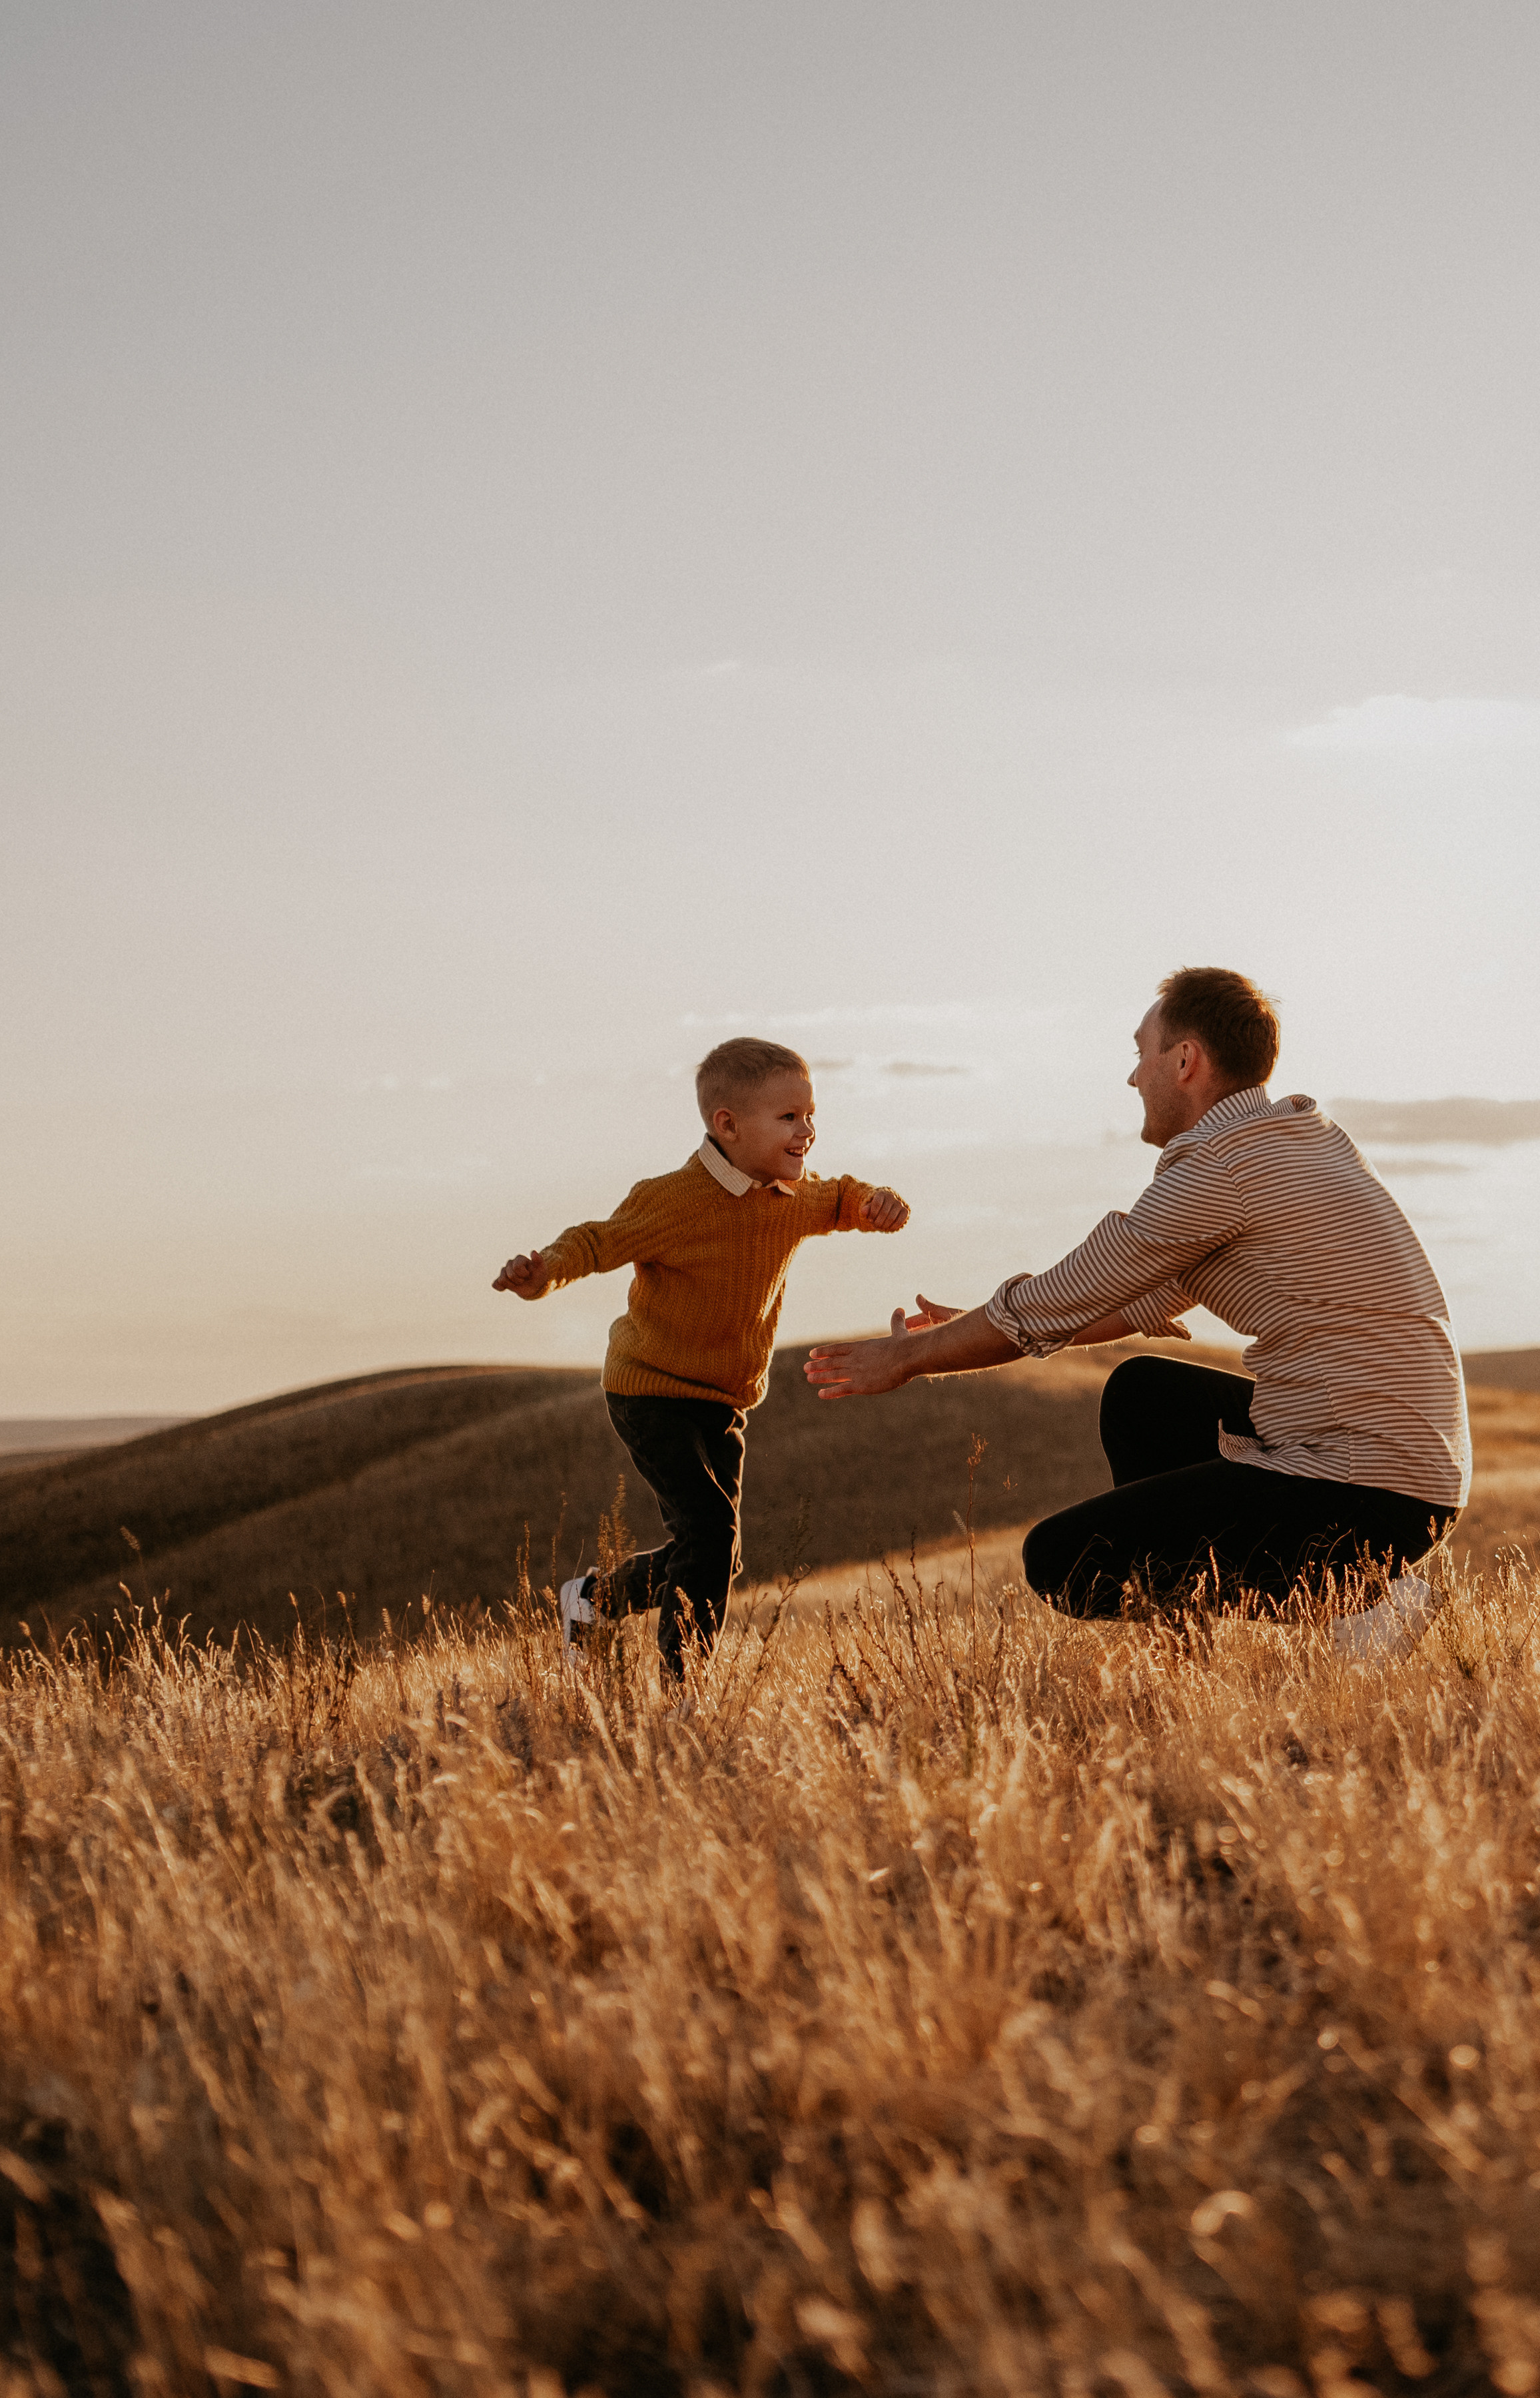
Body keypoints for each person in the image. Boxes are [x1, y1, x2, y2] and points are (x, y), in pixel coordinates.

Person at [804, 969, 1470, 1658]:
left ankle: (1362, 1601)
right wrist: (972, 1324)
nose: (1131, 1079)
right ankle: (1195, 1655)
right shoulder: (1294, 1138)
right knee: (1144, 1395)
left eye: (1139, 1053)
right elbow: (1131, 1295)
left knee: (1066, 1561)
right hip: (1410, 1468)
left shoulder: (1221, 1168)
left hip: (1367, 1486)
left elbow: (1068, 1292)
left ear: (1184, 1061)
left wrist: (908, 1357)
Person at [495, 1038, 909, 1686]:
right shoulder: (674, 1200)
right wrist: (541, 1274)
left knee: (715, 1551)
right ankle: (682, 1686)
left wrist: (874, 1203)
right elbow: (595, 1242)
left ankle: (594, 1601)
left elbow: (840, 1197)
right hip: (649, 1390)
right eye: (788, 1118)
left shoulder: (790, 1198)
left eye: (809, 1114)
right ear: (727, 1125)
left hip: (722, 1400)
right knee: (709, 1533)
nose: (807, 1130)